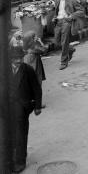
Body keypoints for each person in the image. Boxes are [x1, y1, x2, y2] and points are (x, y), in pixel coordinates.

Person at [9, 45, 42, 173]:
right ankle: (12, 158)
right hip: (8, 107)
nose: (18, 61)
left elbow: (36, 88)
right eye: (15, 58)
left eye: (20, 58)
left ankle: (20, 161)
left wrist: (38, 106)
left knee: (21, 133)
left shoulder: (28, 70)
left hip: (23, 107)